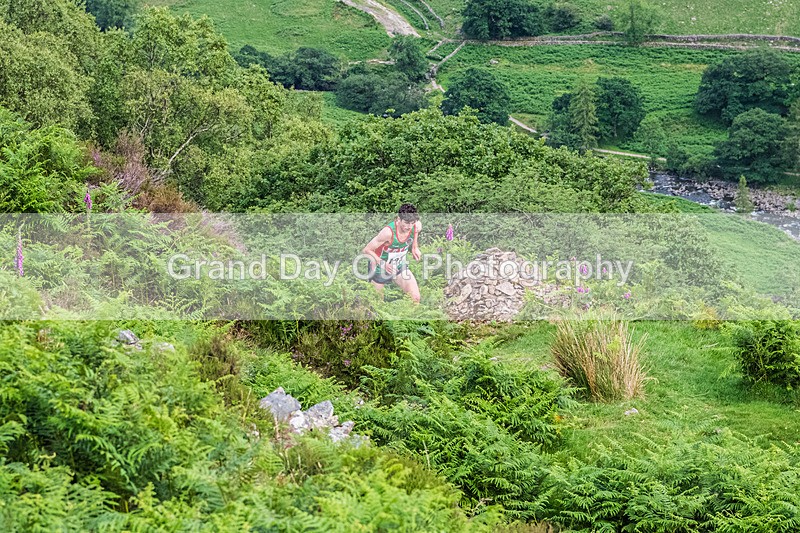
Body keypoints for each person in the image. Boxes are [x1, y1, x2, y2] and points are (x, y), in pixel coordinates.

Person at [362, 203, 422, 303]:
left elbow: (415, 230)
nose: (409, 226)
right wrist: (383, 263)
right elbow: (366, 250)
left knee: (415, 298)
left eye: (412, 222)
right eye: (406, 222)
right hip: (379, 267)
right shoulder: (387, 233)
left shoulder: (416, 226)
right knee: (377, 304)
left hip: (398, 265)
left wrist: (415, 247)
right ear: (399, 219)